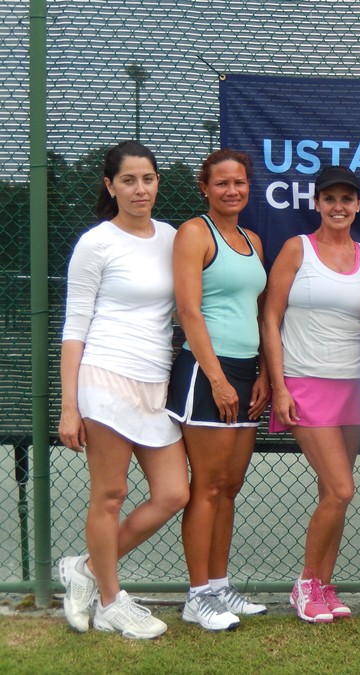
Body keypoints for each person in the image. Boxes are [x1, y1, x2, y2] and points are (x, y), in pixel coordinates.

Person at [57, 141, 189, 639]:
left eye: (147, 179)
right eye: (128, 180)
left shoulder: (172, 237)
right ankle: (112, 602)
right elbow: (75, 326)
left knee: (174, 494)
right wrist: (69, 406)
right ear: (110, 186)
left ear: (157, 183)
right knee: (110, 494)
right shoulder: (95, 243)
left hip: (157, 384)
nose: (140, 189)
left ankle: (87, 569)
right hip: (105, 376)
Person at [262, 165, 360, 623]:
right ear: (316, 203)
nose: (338, 206)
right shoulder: (297, 249)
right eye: (329, 198)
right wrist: (279, 385)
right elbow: (270, 317)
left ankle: (325, 587)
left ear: (358, 205)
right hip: (304, 383)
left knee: (333, 494)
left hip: (353, 387)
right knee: (341, 488)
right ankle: (306, 584)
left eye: (346, 199)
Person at [165, 149, 269, 631]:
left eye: (239, 182)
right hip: (207, 373)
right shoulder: (194, 233)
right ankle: (197, 595)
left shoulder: (253, 240)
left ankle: (220, 585)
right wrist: (218, 378)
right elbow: (189, 311)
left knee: (229, 487)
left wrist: (261, 372)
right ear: (204, 188)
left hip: (246, 372)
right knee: (205, 487)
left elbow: (257, 312)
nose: (232, 190)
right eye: (222, 183)